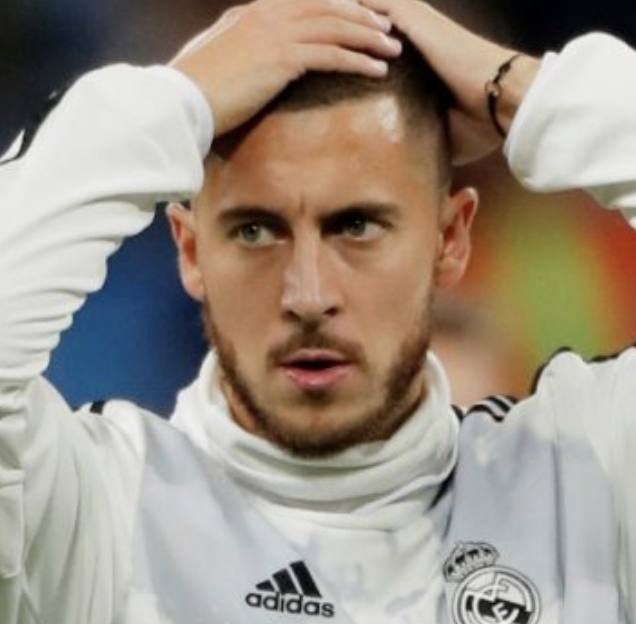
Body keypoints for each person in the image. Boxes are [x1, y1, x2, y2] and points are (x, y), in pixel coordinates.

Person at [0, 0, 635, 622]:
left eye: (356, 226)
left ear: (450, 239)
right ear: (191, 251)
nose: (307, 296)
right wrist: (171, 101)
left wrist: (518, 88)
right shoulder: (94, 515)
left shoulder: (587, 479)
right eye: (255, 231)